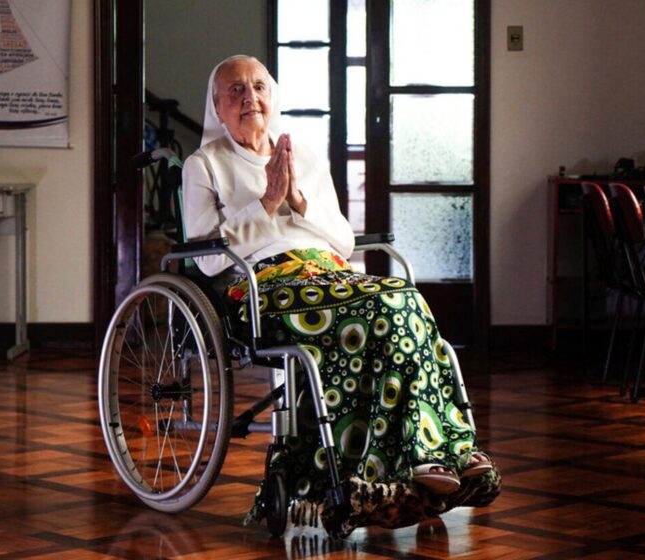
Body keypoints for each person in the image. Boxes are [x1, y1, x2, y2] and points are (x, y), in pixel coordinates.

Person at [182, 55, 499, 535]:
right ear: (217, 107)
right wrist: (266, 202)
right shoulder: (203, 164)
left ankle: (442, 450)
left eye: (259, 87)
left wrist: (298, 201)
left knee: (401, 298)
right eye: (236, 91)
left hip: (328, 275)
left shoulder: (303, 155)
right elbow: (207, 258)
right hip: (264, 287)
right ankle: (398, 462)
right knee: (382, 305)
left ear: (274, 96)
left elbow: (343, 241)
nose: (250, 98)